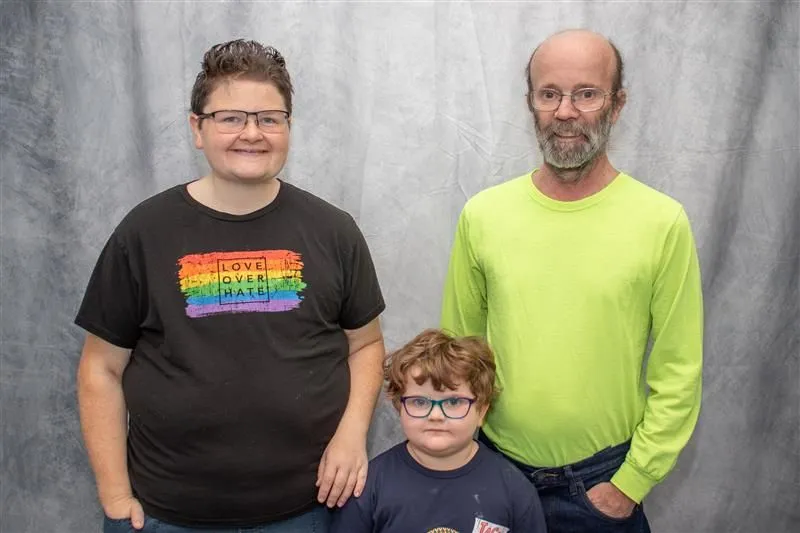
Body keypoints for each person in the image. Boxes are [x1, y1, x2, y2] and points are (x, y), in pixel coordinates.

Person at [76, 39, 386, 533]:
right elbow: (101, 368)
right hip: (166, 514)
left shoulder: (334, 231)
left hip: (307, 511)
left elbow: (365, 344)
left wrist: (352, 434)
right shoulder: (145, 232)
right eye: (230, 118)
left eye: (269, 118)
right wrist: (114, 495)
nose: (252, 134)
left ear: (287, 128)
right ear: (197, 129)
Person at [440, 29, 703, 533]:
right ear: (531, 103)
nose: (565, 111)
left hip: (602, 487)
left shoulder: (661, 221)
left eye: (587, 93)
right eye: (549, 94)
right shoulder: (484, 216)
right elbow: (458, 353)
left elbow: (679, 371)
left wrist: (630, 484)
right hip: (494, 475)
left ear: (618, 104)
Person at [331, 329, 547, 533]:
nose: (435, 415)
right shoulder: (368, 486)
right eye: (419, 402)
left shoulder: (515, 490)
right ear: (400, 407)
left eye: (453, 401)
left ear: (481, 411)